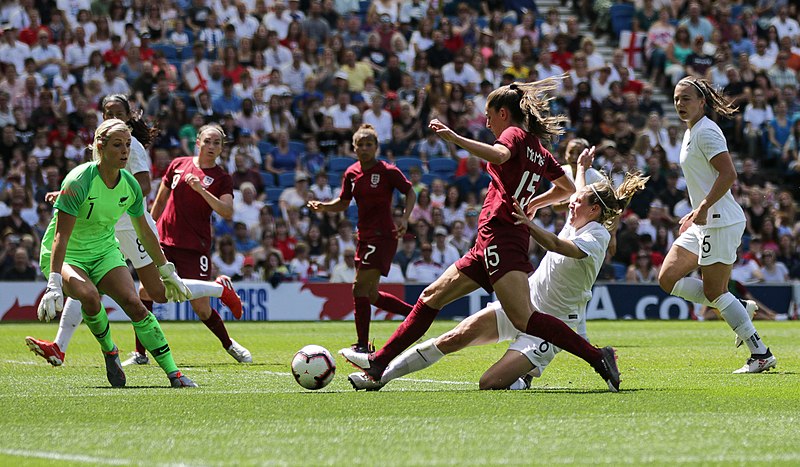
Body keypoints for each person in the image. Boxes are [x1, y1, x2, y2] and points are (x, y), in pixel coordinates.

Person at [341, 77, 622, 392]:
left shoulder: (514, 134)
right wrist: (533, 202)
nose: (487, 123)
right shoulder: (539, 149)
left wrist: (455, 137)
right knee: (431, 297)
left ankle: (596, 356)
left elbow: (500, 156)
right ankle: (379, 364)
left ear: (504, 113)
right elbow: (567, 188)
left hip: (501, 237)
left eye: (489, 116)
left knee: (524, 319)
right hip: (490, 241)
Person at [349, 149, 648, 391]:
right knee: (453, 337)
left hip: (555, 322)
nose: (570, 204)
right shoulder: (580, 215)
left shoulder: (598, 235)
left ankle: (529, 372)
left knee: (489, 383)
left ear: (593, 210)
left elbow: (561, 247)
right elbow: (580, 192)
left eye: (577, 202)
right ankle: (380, 377)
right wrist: (582, 167)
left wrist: (530, 225)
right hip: (523, 302)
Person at [25, 95, 245, 368]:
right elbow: (93, 185)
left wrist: (121, 205)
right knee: (87, 286)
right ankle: (60, 346)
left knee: (159, 291)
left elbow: (142, 187)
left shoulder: (133, 147)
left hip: (129, 226)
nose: (113, 118)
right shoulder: (102, 145)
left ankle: (217, 289)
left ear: (130, 116)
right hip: (106, 226)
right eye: (108, 113)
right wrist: (70, 195)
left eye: (119, 113)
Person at [29, 118, 197, 388]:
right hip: (67, 254)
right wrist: (54, 282)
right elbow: (62, 236)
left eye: (128, 145)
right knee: (90, 297)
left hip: (104, 250)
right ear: (100, 146)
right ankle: (110, 351)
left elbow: (145, 232)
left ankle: (174, 373)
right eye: (117, 145)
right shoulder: (79, 180)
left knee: (134, 303)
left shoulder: (129, 184)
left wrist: (167, 271)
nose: (124, 151)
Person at [658, 76, 776, 374]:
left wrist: (703, 207)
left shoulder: (707, 132)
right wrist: (695, 211)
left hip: (719, 221)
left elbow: (729, 174)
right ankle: (737, 306)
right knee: (667, 278)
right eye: (676, 99)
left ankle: (760, 353)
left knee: (714, 293)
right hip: (703, 221)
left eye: (686, 98)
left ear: (702, 102)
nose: (679, 104)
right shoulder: (691, 132)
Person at [149, 123, 252, 363]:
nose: (211, 146)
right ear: (198, 142)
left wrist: (201, 190)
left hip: (195, 247)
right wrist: (150, 228)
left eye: (217, 143)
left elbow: (227, 211)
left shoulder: (222, 178)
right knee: (147, 292)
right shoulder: (178, 165)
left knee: (202, 309)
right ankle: (140, 353)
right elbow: (161, 199)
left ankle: (229, 344)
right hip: (164, 241)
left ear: (222, 149)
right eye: (207, 141)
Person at [308, 123, 416, 352]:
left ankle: (363, 346)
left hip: (383, 236)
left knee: (358, 289)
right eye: (360, 144)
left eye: (369, 144)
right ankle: (416, 314)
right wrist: (324, 207)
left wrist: (405, 218)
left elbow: (410, 191)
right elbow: (344, 202)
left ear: (376, 147)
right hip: (364, 237)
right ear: (354, 147)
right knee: (373, 295)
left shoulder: (387, 171)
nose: (364, 148)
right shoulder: (351, 173)